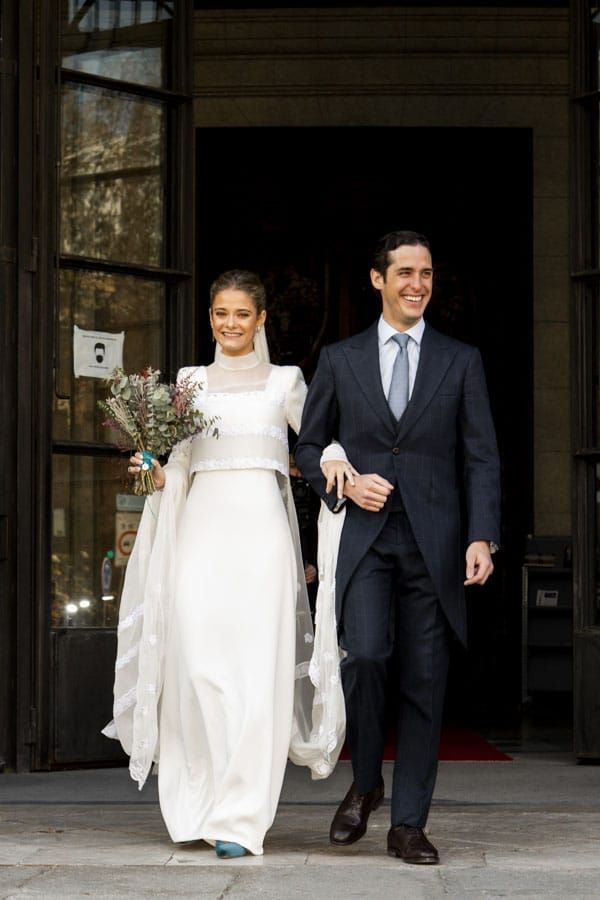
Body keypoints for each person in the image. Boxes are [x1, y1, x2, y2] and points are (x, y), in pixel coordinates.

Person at [103, 270, 346, 859]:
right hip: (200, 536)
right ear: (210, 318)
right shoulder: (189, 382)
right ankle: (198, 803)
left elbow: (317, 442)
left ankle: (240, 817)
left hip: (261, 539)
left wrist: (338, 458)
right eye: (220, 313)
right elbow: (181, 465)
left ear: (260, 319)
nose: (230, 323)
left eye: (241, 313)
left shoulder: (287, 381)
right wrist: (152, 471)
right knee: (198, 671)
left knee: (255, 676)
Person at [294, 231, 501, 865]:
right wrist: (344, 482)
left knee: (425, 680)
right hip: (365, 540)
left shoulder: (461, 359)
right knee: (367, 658)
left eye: (427, 274)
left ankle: (408, 822)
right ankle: (364, 782)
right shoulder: (339, 358)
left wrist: (481, 536)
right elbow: (306, 448)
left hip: (437, 544)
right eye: (405, 273)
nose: (418, 284)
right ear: (378, 279)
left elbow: (481, 456)